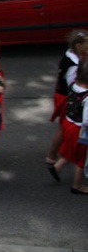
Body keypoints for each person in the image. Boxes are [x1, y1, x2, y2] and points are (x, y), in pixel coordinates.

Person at [47, 60, 88, 195]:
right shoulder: (87, 97)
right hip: (79, 130)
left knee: (70, 149)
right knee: (81, 159)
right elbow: (86, 120)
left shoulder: (73, 86)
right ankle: (77, 185)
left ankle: (57, 167)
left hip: (68, 123)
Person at [47, 30, 88, 164]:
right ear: (78, 45)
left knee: (65, 126)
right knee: (64, 127)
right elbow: (72, 84)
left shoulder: (69, 54)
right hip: (66, 98)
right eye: (86, 43)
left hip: (61, 94)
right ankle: (52, 156)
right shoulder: (74, 65)